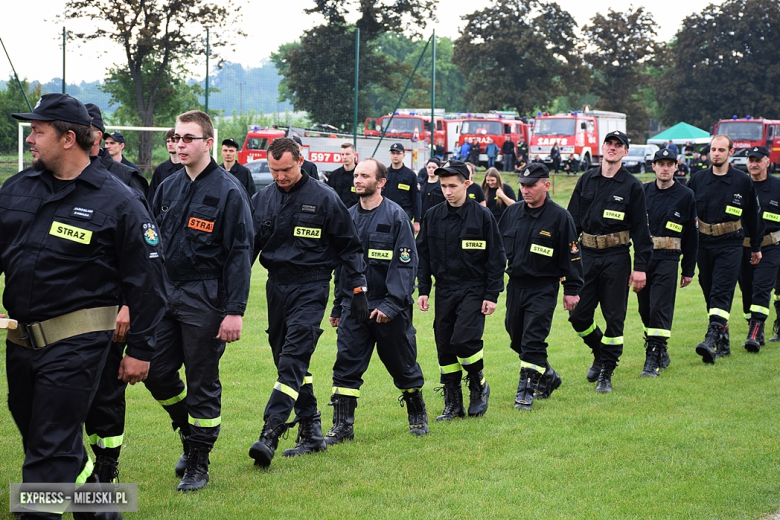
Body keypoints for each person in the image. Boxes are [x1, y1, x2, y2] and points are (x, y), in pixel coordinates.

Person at [4, 93, 166, 519]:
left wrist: (142, 350)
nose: (30, 141)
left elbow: (148, 281)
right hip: (21, 341)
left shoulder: (119, 201)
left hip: (77, 343)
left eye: (39, 132)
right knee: (46, 439)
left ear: (69, 138)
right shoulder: (18, 188)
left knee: (49, 449)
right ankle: (105, 510)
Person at [143, 110, 253, 492]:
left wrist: (234, 311)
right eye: (177, 136)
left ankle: (199, 462)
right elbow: (152, 245)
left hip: (206, 296)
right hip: (166, 293)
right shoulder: (167, 186)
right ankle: (188, 434)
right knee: (154, 371)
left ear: (208, 143)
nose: (180, 143)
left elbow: (240, 253)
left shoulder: (229, 191)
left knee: (202, 379)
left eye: (189, 138)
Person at [248, 137, 368, 469]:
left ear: (300, 160)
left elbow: (350, 247)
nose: (280, 177)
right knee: (284, 357)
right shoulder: (262, 199)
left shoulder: (325, 199)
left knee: (294, 357)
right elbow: (248, 248)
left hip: (312, 285)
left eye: (285, 169)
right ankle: (312, 429)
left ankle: (270, 432)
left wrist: (358, 288)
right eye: (274, 170)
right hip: (276, 287)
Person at [325, 158, 428, 443]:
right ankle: (342, 426)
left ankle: (417, 413)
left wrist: (392, 305)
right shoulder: (347, 218)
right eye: (356, 175)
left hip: (388, 308)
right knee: (346, 364)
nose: (357, 180)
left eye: (364, 176)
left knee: (402, 365)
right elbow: (342, 267)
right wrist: (337, 305)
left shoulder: (396, 218)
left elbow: (406, 265)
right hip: (353, 306)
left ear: (381, 182)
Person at [82, 102, 150, 485]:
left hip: (109, 309)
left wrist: (128, 305)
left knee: (105, 393)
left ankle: (106, 471)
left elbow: (143, 258)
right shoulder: (53, 180)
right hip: (58, 314)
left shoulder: (125, 182)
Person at [416, 160, 506, 421]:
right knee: (445, 347)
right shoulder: (433, 216)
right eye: (443, 186)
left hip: (473, 288)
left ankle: (478, 385)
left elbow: (496, 258)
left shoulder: (482, 216)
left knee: (464, 341)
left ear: (467, 184)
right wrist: (424, 289)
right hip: (444, 289)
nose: (447, 191)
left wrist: (492, 294)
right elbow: (424, 256)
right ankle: (453, 403)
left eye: (453, 186)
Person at [567, 131, 653, 393]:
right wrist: (566, 263)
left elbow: (641, 231)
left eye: (619, 145)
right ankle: (599, 351)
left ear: (625, 152)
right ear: (602, 147)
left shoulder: (632, 186)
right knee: (578, 316)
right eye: (609, 144)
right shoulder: (586, 179)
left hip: (616, 257)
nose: (613, 148)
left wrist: (640, 268)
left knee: (614, 317)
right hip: (587, 255)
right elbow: (571, 222)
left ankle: (607, 372)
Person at [498, 163, 582, 410]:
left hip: (543, 287)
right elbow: (497, 251)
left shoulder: (560, 217)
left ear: (546, 185)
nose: (525, 190)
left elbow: (573, 256)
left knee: (533, 339)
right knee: (516, 339)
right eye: (522, 185)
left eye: (531, 185)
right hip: (516, 285)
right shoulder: (512, 213)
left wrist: (572, 289)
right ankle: (548, 376)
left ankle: (525, 392)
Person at [687, 135, 762, 364]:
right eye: (713, 149)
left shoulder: (742, 181)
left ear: (730, 152)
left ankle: (711, 338)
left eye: (721, 149)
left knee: (721, 289)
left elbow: (753, 217)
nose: (716, 153)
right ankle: (724, 337)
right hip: (704, 243)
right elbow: (688, 213)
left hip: (731, 243)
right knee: (708, 289)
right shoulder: (698, 179)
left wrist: (756, 247)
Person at [637, 149, 698, 376]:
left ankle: (652, 359)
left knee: (660, 308)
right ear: (653, 166)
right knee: (645, 309)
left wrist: (688, 268)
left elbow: (692, 236)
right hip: (644, 260)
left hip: (669, 259)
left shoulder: (685, 195)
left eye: (669, 164)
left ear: (676, 167)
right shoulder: (642, 192)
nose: (665, 168)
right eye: (660, 163)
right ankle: (659, 347)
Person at [737, 146, 780, 352]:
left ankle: (755, 331)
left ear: (767, 162)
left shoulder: (777, 187)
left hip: (771, 245)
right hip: (743, 248)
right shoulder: (742, 186)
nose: (753, 164)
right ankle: (755, 327)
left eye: (757, 160)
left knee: (762, 288)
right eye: (750, 160)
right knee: (747, 291)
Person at [85, 103, 148, 198]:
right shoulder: (65, 173)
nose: (108, 146)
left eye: (112, 143)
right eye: (107, 143)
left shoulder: (129, 175)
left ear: (122, 146)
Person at [384, 142, 422, 234]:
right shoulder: (384, 173)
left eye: (398, 153)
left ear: (404, 155)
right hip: (385, 212)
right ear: (390, 155)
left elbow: (416, 198)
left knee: (402, 241)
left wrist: (417, 221)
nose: (395, 156)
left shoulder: (410, 175)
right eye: (393, 153)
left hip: (404, 213)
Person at [148, 129, 182, 202]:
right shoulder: (160, 169)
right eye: (168, 141)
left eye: (173, 141)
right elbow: (151, 197)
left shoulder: (188, 169)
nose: (170, 144)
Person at [325, 142, 359, 208]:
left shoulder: (360, 176)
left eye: (347, 154)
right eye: (342, 154)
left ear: (354, 155)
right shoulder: (334, 175)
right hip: (337, 213)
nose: (345, 157)